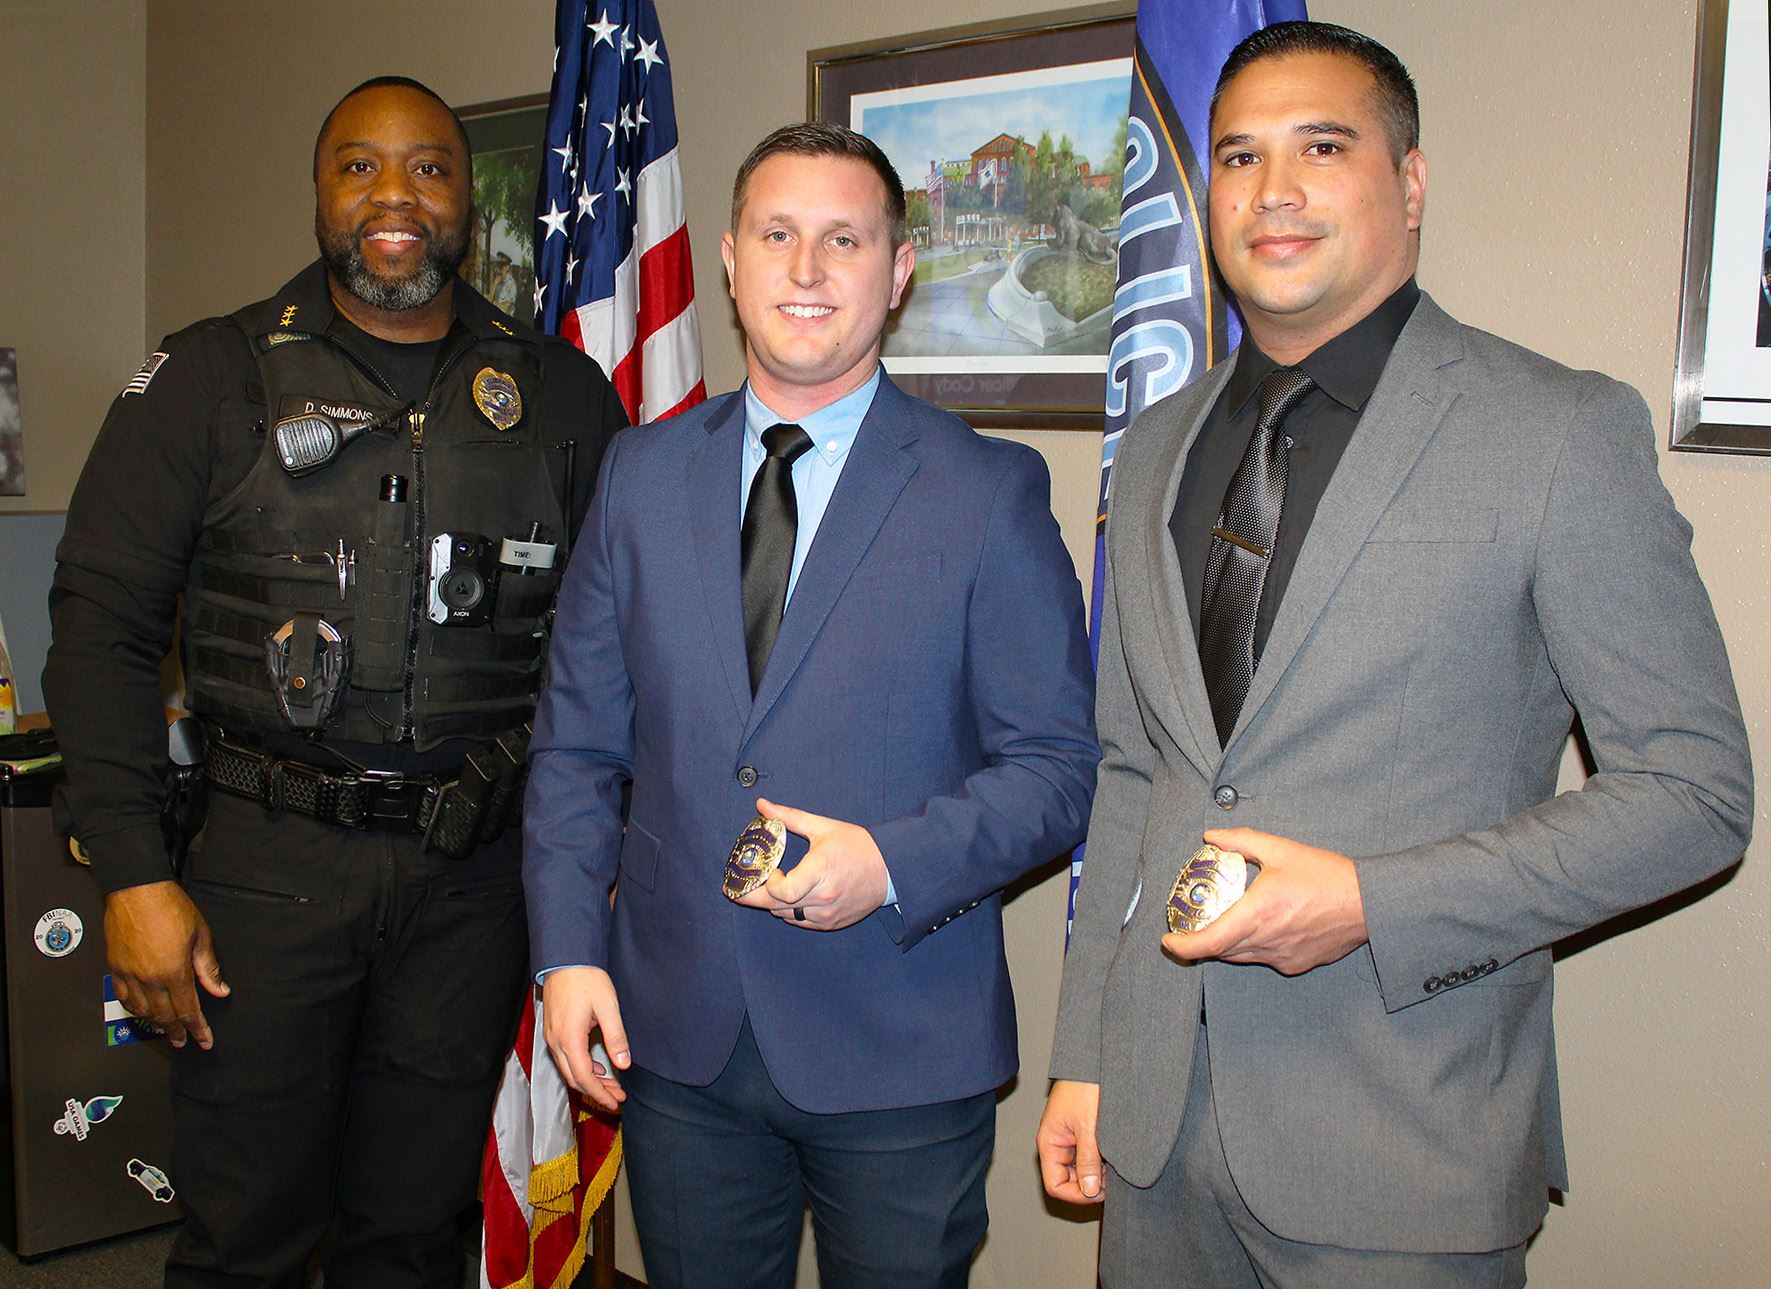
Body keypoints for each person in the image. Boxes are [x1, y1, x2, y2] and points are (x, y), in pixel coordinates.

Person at [1038, 21, 1752, 1289]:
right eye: (1239, 156)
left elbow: (1694, 796)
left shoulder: (1556, 431)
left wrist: (1372, 903)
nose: (1273, 192)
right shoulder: (1151, 448)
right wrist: (1087, 1053)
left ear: (1408, 184)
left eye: (1322, 145)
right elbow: (1133, 770)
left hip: (1399, 1144)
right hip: (1153, 1142)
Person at [43, 77, 625, 1288]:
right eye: (359, 168)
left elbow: (612, 652)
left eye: (428, 168)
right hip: (265, 871)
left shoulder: (563, 395)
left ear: (467, 199)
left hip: (471, 883)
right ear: (319, 194)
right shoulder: (210, 377)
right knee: (244, 1235)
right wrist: (136, 870)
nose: (394, 197)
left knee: (411, 1234)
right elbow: (99, 631)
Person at [524, 122, 1098, 1289]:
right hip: (676, 1036)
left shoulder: (986, 492)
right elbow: (577, 745)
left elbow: (1057, 768)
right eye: (777, 234)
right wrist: (567, 952)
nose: (804, 269)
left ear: (897, 272)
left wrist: (888, 860)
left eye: (844, 239)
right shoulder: (639, 474)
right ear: (728, 259)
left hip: (898, 1038)